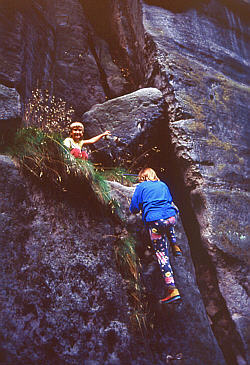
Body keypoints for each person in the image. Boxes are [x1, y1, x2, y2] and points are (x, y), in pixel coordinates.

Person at [130, 167, 182, 304]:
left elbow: (134, 208)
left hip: (156, 222)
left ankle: (172, 289)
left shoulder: (141, 187)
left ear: (142, 178)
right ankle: (174, 243)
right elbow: (169, 200)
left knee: (162, 255)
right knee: (167, 219)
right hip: (171, 218)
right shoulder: (163, 184)